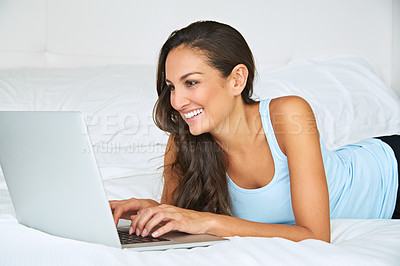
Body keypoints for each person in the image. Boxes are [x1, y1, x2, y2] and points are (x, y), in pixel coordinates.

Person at [109, 20, 400, 243]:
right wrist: (150, 210)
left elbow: (315, 236)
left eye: (192, 83)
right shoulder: (184, 141)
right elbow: (180, 219)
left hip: (390, 175)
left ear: (237, 80)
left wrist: (208, 222)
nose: (177, 101)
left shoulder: (289, 114)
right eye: (172, 86)